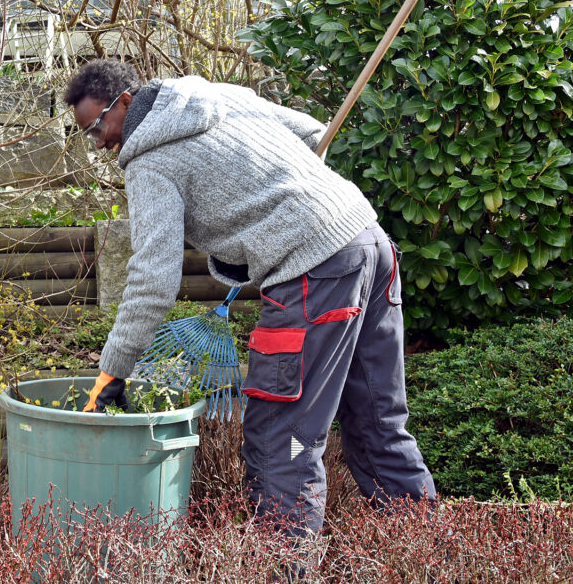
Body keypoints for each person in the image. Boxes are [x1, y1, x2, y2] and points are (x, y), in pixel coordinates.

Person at [65, 58, 436, 535]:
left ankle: (284, 566)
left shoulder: (149, 162)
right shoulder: (212, 95)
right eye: (87, 134)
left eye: (97, 125)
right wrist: (275, 202)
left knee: (283, 441)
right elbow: (311, 131)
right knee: (376, 422)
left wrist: (112, 370)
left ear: (126, 102)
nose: (98, 142)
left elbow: (152, 280)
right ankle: (427, 552)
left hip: (315, 274)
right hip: (369, 243)